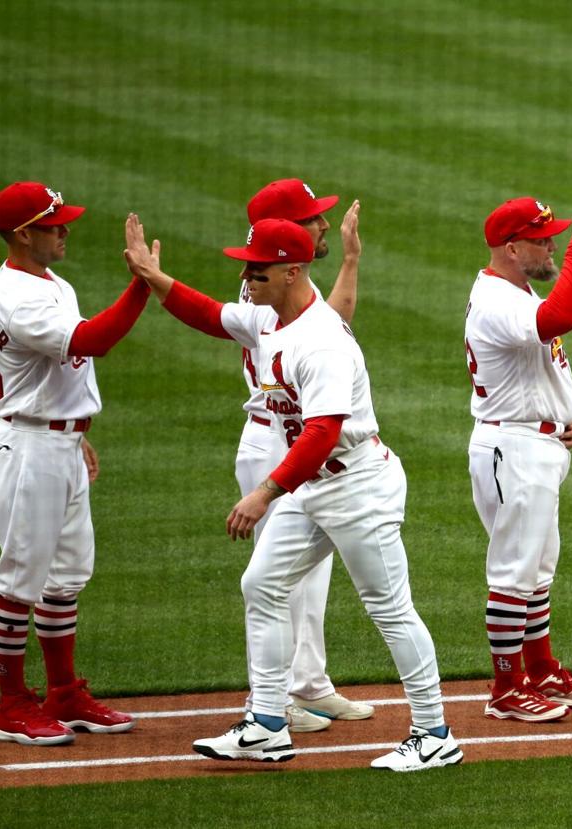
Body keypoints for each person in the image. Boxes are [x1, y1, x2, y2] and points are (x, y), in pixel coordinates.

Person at [123, 216, 461, 769]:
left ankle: (434, 733)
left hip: (355, 485)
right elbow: (209, 314)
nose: (247, 275)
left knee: (389, 608)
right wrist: (153, 276)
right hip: (311, 485)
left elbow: (324, 429)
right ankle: (268, 725)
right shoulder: (269, 316)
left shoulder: (321, 339)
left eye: (258, 268)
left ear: (293, 271)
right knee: (262, 583)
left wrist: (264, 493)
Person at [0, 182, 149, 745]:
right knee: (20, 580)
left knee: (66, 579)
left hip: (59, 444)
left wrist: (78, 430)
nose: (65, 229)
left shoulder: (54, 282)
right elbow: (94, 340)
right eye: (53, 224)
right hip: (28, 450)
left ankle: (63, 694)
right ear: (23, 234)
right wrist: (142, 284)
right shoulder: (18, 294)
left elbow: (68, 366)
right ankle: (12, 705)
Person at [235, 179, 374, 732]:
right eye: (312, 219)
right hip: (276, 438)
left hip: (291, 435)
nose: (321, 225)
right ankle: (268, 698)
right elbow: (327, 329)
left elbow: (334, 320)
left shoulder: (284, 277)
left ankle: (309, 683)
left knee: (307, 578)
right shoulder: (263, 285)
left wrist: (350, 261)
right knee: (274, 578)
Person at [465, 196, 572, 722]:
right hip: (514, 449)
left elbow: (542, 361)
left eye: (555, 236)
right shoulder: (499, 299)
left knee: (538, 569)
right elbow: (563, 314)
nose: (552, 244)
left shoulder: (514, 290)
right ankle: (506, 689)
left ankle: (541, 668)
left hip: (533, 443)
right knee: (514, 572)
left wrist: (563, 413)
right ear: (510, 247)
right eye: (542, 238)